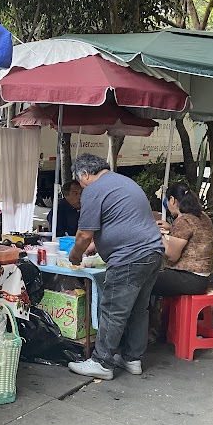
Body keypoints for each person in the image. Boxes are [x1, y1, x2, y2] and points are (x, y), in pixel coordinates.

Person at [66, 154, 165, 380]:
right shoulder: (123, 182)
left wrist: (75, 255)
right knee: (139, 308)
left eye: (80, 183)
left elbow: (83, 234)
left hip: (129, 257)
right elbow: (123, 221)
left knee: (113, 310)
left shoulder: (93, 190)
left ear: (84, 174)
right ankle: (132, 358)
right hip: (152, 252)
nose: (81, 188)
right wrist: (98, 246)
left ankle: (101, 362)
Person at [152, 182, 213, 296]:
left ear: (172, 200)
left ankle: (149, 313)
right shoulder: (202, 215)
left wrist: (158, 234)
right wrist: (171, 228)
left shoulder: (183, 220)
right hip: (204, 278)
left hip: (189, 279)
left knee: (145, 279)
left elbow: (172, 256)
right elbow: (194, 234)